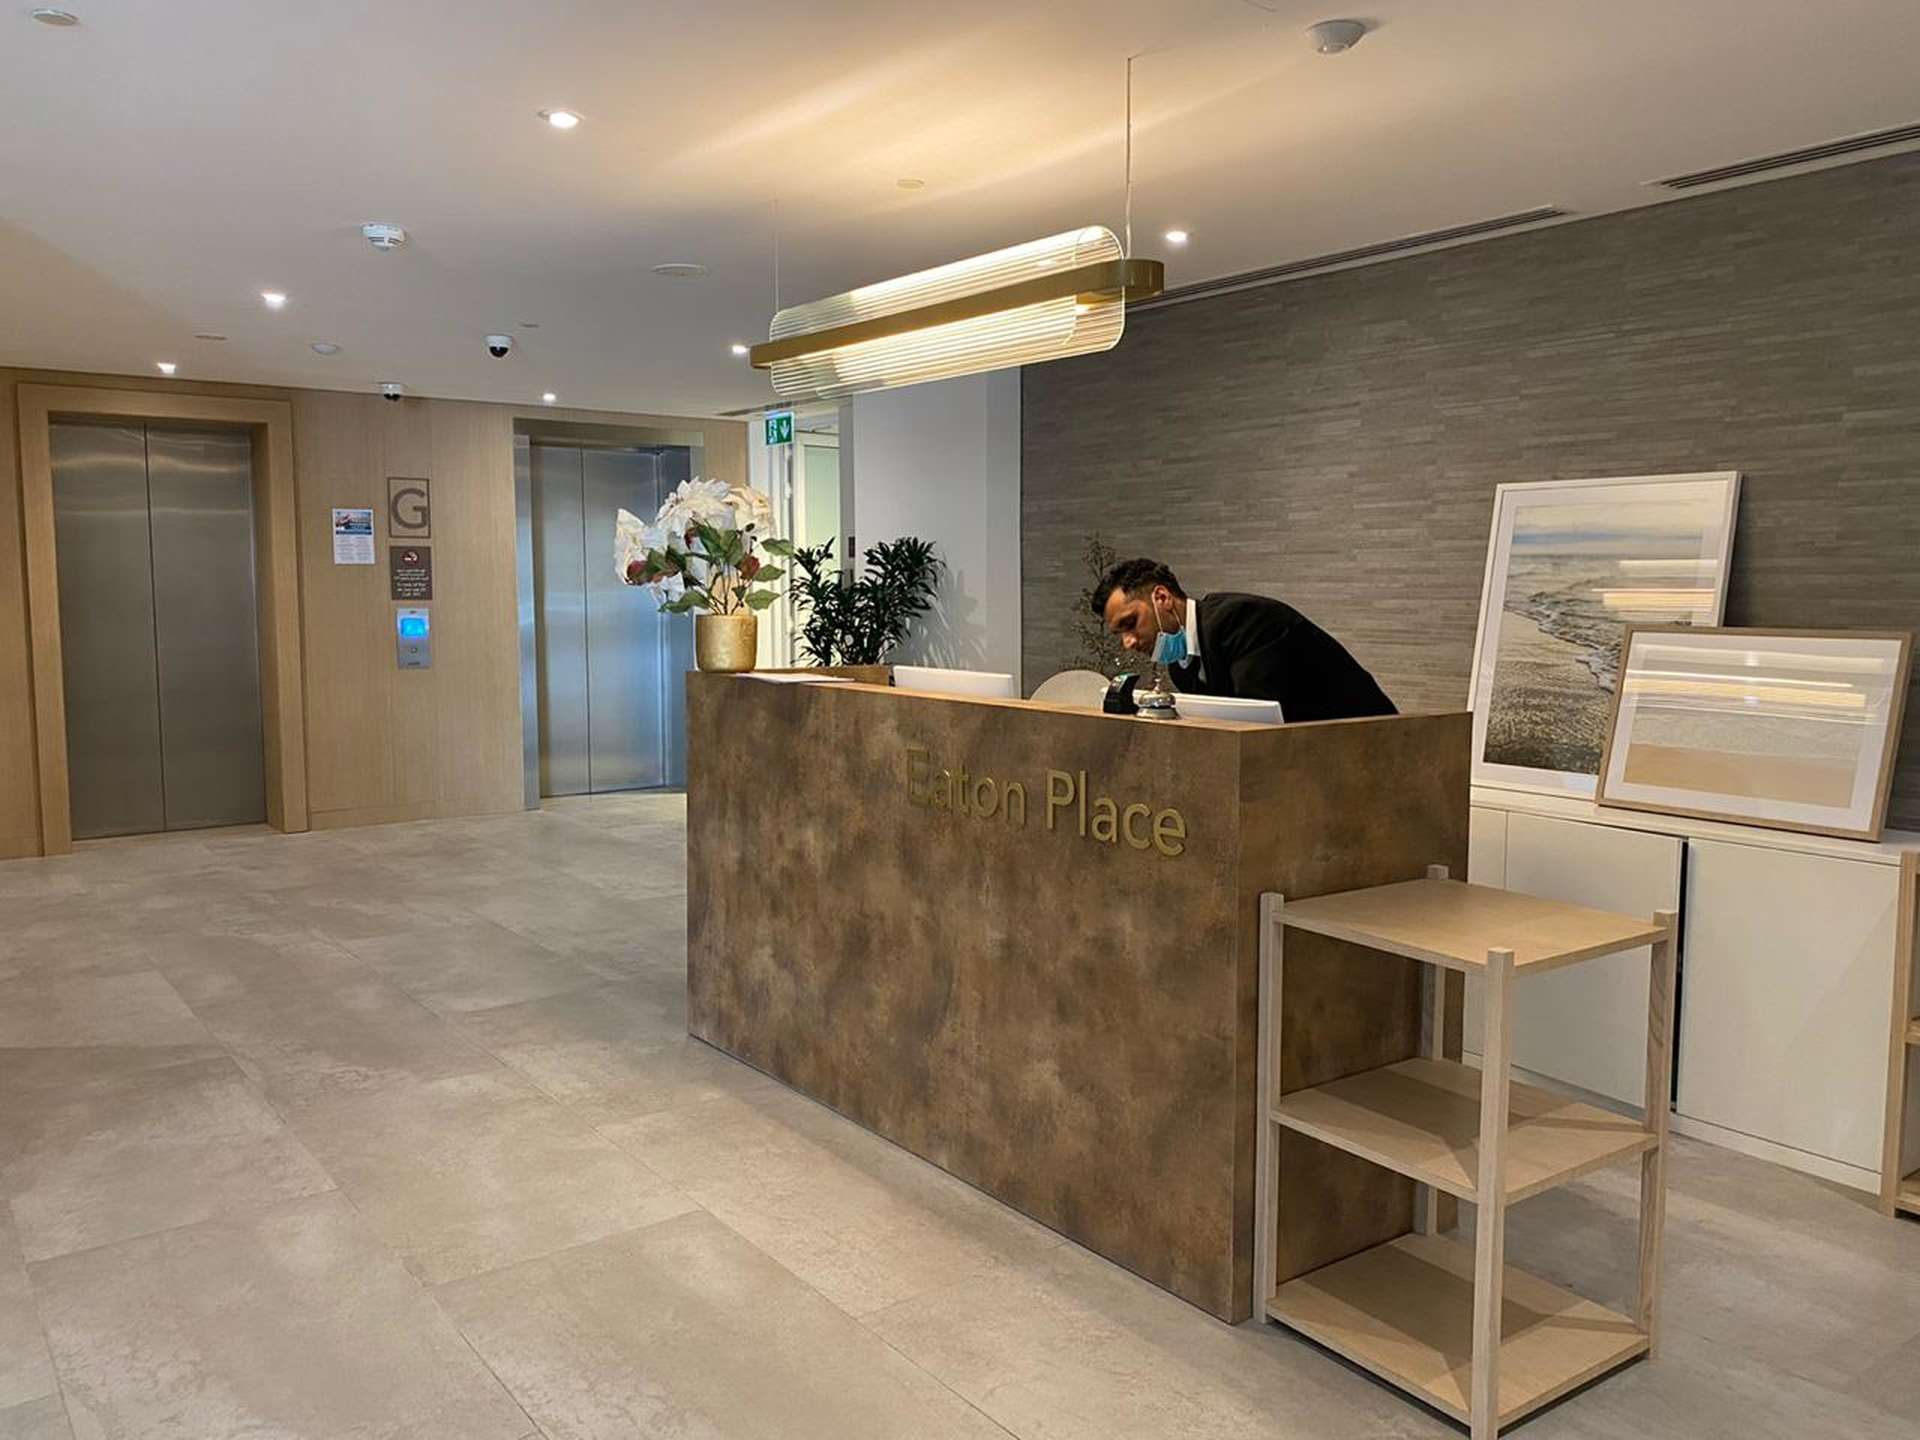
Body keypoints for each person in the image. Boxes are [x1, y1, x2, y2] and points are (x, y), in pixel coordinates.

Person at [1093, 557, 1396, 722]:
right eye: (1121, 633)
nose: (1129, 642)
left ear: (1162, 597)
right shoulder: (1181, 664)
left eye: (1130, 624)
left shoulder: (1243, 619)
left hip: (1370, 747)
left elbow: (1254, 722)